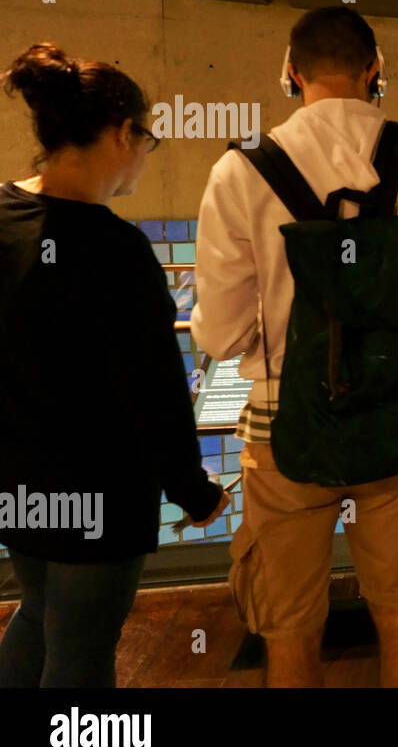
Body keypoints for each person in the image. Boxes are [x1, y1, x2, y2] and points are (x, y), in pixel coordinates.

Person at [191, 7, 398, 687]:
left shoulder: (239, 173)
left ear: (291, 72)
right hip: (397, 422)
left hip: (287, 428)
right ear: (375, 69)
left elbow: (224, 333)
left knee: (290, 624)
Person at [0, 43, 228, 688]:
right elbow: (152, 392)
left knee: (41, 612)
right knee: (80, 656)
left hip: (18, 485)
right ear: (124, 134)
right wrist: (195, 491)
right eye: (148, 141)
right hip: (98, 491)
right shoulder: (115, 251)